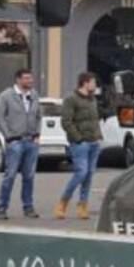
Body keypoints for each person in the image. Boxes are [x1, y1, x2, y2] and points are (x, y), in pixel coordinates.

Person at [56, 72, 103, 221]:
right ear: (85, 83)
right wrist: (78, 139)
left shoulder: (92, 99)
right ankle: (63, 202)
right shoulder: (71, 99)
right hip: (80, 144)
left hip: (94, 142)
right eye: (93, 83)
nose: (95, 86)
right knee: (81, 173)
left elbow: (95, 120)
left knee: (88, 175)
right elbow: (66, 122)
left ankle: (83, 206)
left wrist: (99, 136)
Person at [0, 68, 42, 220]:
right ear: (18, 80)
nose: (30, 81)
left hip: (31, 141)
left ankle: (28, 207)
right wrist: (8, 136)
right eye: (27, 78)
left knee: (29, 176)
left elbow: (38, 116)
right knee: (10, 176)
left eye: (31, 78)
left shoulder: (34, 94)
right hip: (15, 141)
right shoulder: (6, 95)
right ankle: (2, 207)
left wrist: (37, 134)